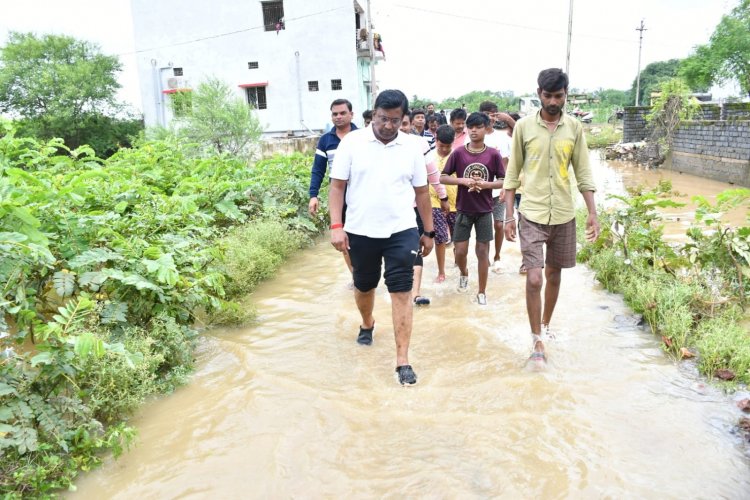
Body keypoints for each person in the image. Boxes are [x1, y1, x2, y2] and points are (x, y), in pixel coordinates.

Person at [329, 89, 435, 386]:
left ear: (404, 119)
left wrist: (428, 231)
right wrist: (337, 225)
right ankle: (367, 322)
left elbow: (422, 192)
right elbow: (337, 187)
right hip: (360, 229)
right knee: (364, 285)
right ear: (373, 113)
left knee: (401, 290)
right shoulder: (352, 143)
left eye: (395, 120)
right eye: (382, 118)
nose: (388, 125)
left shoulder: (412, 147)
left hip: (401, 229)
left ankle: (402, 360)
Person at [503, 68, 600, 365]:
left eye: (559, 96)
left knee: (554, 274)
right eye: (548, 96)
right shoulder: (523, 127)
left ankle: (544, 326)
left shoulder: (574, 128)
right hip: (531, 212)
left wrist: (593, 214)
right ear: (538, 94)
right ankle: (536, 341)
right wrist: (508, 216)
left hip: (563, 213)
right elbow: (512, 173)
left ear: (565, 94)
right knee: (534, 279)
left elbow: (583, 172)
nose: (553, 101)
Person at [440, 112, 504, 305]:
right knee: (460, 251)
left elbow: (502, 181)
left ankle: (482, 292)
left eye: (478, 127)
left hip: (484, 210)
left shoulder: (493, 154)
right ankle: (464, 272)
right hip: (463, 209)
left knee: (482, 252)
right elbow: (443, 177)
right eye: (471, 127)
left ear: (486, 129)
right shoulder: (459, 153)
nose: (473, 130)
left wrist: (485, 185)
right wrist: (463, 181)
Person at [308, 99, 358, 283]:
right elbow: (318, 169)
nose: (338, 117)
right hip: (338, 197)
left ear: (351, 114)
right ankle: (356, 278)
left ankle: (369, 273)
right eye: (335, 114)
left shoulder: (362, 136)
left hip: (362, 195)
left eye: (342, 113)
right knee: (343, 237)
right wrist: (313, 195)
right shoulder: (326, 141)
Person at [474, 101, 516, 272]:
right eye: (486, 113)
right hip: (478, 191)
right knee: (482, 227)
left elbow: (506, 165)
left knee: (498, 224)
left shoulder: (502, 138)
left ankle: (497, 256)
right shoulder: (475, 136)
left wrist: (505, 186)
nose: (490, 117)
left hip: (498, 190)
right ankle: (484, 259)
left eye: (493, 114)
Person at [429, 124, 456, 283]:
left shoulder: (458, 155)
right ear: (435, 140)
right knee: (440, 236)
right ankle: (441, 271)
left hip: (456, 202)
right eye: (441, 145)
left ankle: (458, 264)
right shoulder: (429, 157)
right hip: (434, 201)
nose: (445, 149)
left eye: (448, 146)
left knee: (458, 238)